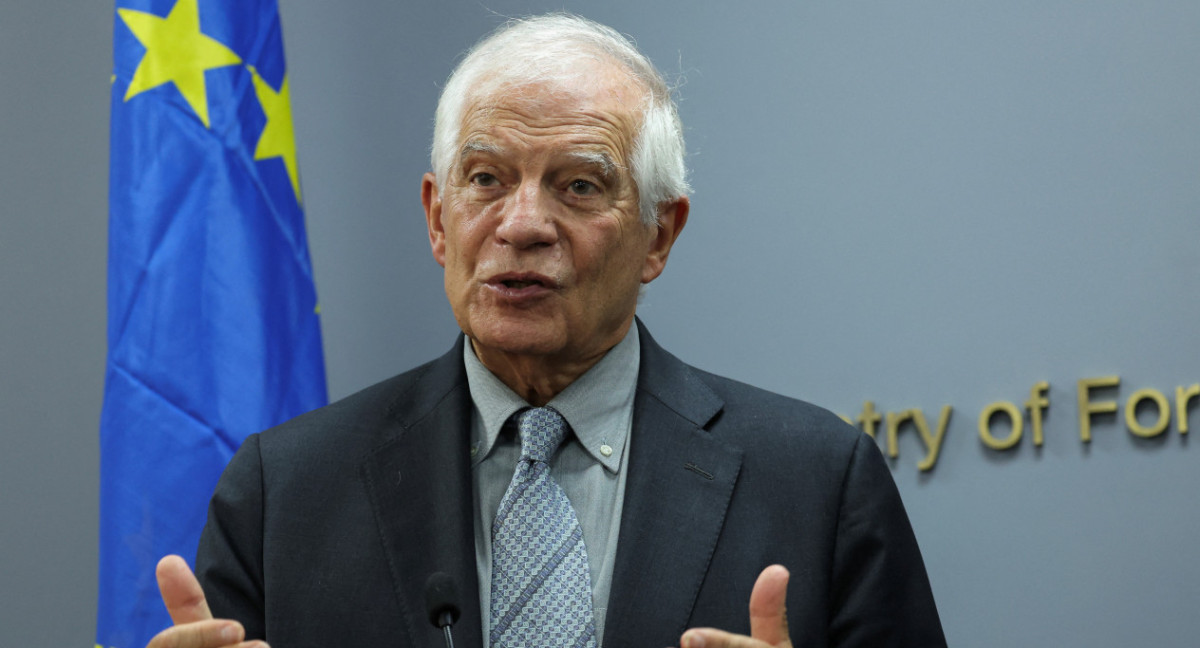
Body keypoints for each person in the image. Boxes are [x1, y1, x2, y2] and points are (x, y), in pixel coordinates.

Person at [148, 13, 945, 648]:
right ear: (436, 218)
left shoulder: (817, 482)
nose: (522, 225)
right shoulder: (284, 493)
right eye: (486, 179)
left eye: (580, 184)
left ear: (659, 236)